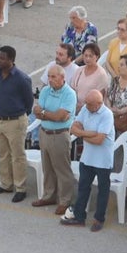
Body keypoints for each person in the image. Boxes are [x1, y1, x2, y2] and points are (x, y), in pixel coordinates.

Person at [60, 91, 116, 231]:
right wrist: (88, 133)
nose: (86, 106)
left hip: (103, 161)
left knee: (103, 190)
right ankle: (79, 217)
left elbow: (99, 140)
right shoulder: (86, 109)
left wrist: (82, 134)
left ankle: (99, 219)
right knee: (83, 187)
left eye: (90, 104)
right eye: (86, 103)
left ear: (99, 104)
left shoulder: (107, 115)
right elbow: (74, 127)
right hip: (87, 158)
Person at [0, 46, 33, 203]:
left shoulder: (22, 79)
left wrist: (20, 116)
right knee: (3, 154)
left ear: (11, 60)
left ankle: (20, 188)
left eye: (2, 58)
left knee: (17, 156)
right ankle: (6, 184)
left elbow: (29, 102)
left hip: (15, 122)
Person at [33, 64, 79, 213]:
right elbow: (36, 111)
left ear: (62, 78)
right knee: (48, 168)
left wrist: (44, 113)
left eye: (53, 77)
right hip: (44, 132)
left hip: (59, 135)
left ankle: (65, 200)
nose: (50, 80)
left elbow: (61, 117)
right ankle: (49, 195)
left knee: (62, 169)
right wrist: (49, 114)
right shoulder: (46, 90)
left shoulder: (69, 94)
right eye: (49, 76)